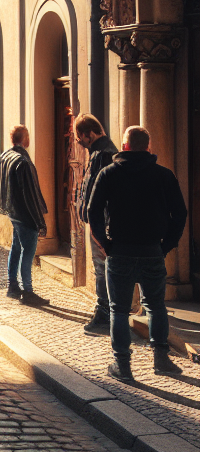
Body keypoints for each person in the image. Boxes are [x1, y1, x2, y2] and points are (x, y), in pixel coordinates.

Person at [87, 126, 188, 382]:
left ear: (125, 146)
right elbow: (180, 213)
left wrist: (105, 244)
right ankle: (162, 360)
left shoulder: (109, 174)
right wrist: (166, 245)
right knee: (156, 306)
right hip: (152, 250)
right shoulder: (164, 175)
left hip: (119, 250)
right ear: (148, 147)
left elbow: (93, 211)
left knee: (119, 310)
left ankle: (123, 365)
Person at [74, 114, 118, 335]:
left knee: (102, 269)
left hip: (102, 224)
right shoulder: (99, 153)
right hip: (100, 222)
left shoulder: (103, 155)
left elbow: (100, 195)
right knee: (102, 269)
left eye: (79, 137)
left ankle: (105, 316)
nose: (79, 142)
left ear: (89, 134)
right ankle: (107, 313)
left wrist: (99, 228)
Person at [0, 125, 50, 307]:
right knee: (27, 253)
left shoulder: (5, 156)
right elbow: (30, 195)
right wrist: (39, 221)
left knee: (16, 248)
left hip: (13, 212)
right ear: (24, 138)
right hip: (25, 215)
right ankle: (27, 292)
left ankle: (12, 286)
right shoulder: (23, 162)